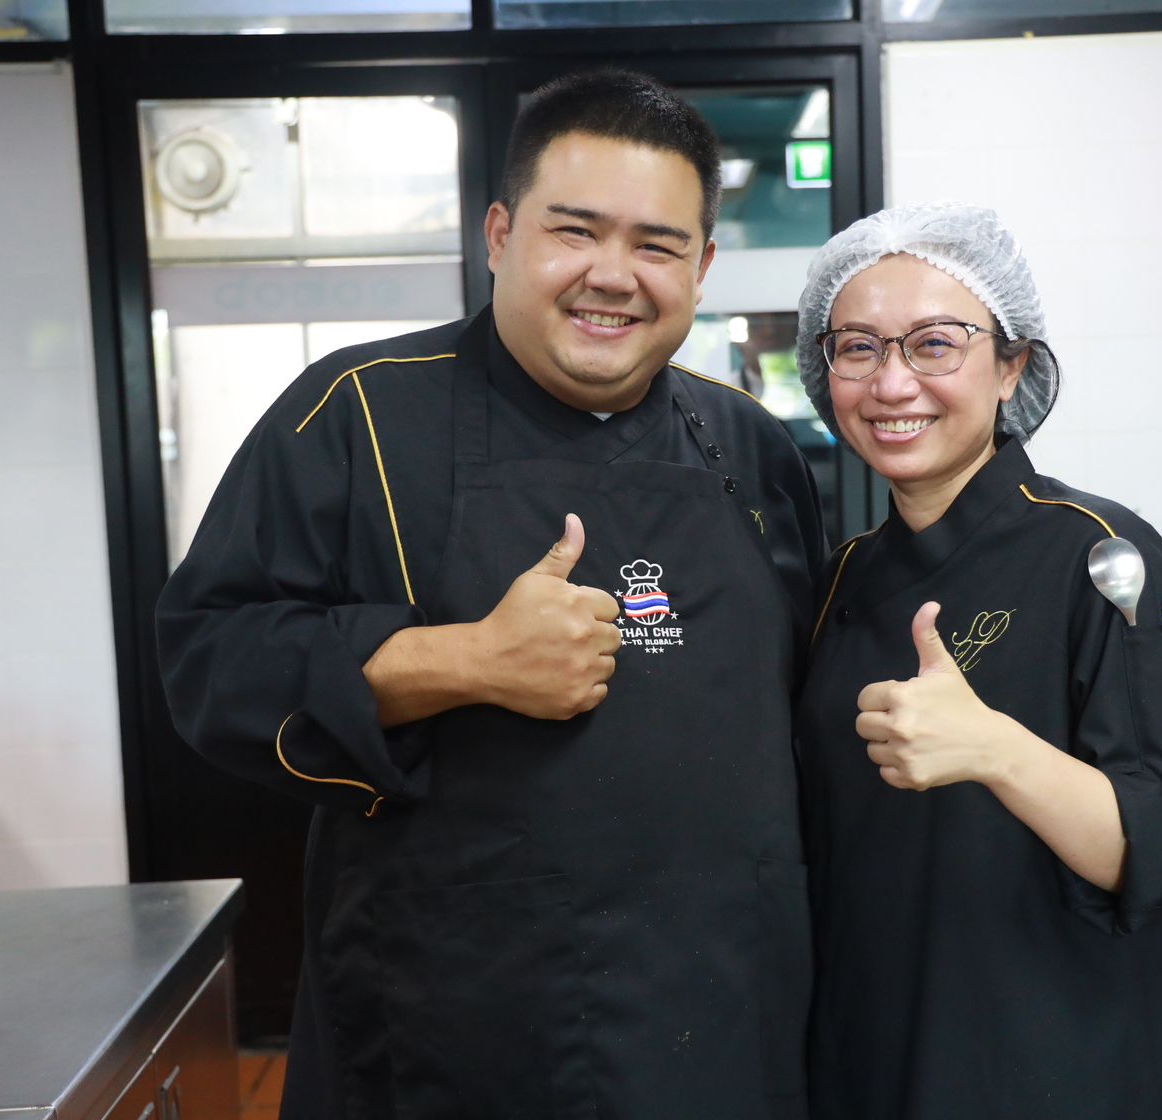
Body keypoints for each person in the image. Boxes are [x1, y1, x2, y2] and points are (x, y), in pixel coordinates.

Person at [157, 71, 825, 1120]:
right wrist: (462, 661)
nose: (613, 276)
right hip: (457, 1030)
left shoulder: (749, 444)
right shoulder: (355, 415)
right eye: (575, 231)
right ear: (501, 235)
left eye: (656, 245)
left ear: (701, 268)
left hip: (725, 1019)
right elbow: (212, 663)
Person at [792, 202, 1162, 1119]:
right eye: (858, 348)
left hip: (1053, 1064)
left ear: (1011, 365)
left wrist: (995, 750)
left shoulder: (1102, 558)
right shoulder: (844, 579)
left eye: (934, 345)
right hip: (876, 1046)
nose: (892, 383)